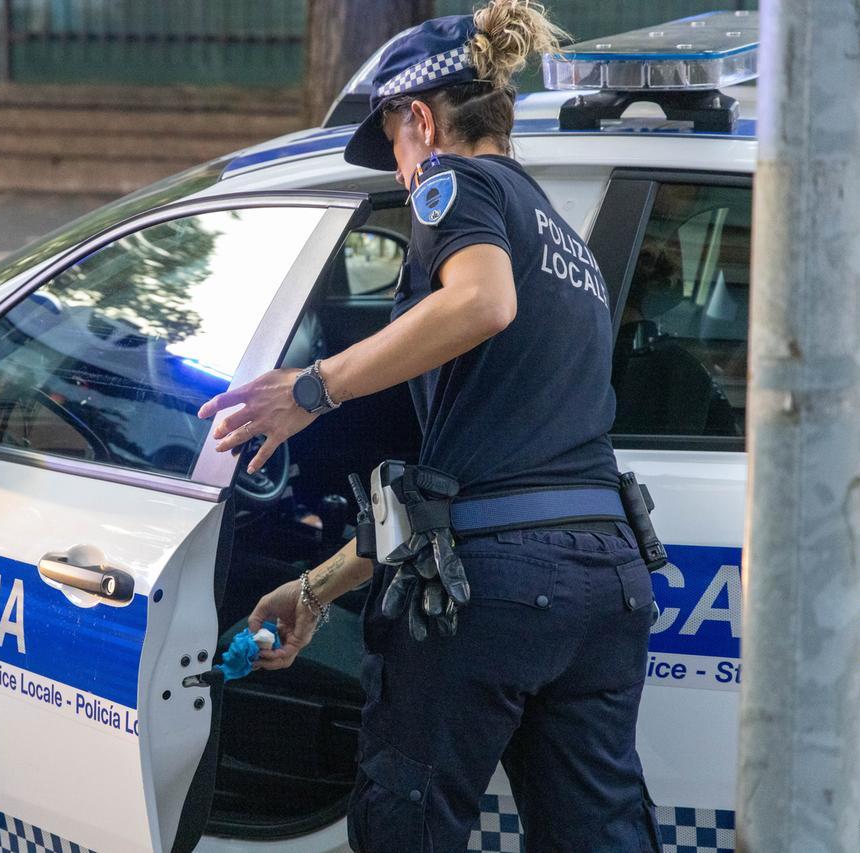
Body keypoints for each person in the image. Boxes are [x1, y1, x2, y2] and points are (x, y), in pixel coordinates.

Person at [196, 2, 662, 850]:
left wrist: (312, 386)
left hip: (499, 591)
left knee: (404, 825)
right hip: (606, 584)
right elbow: (463, 481)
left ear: (421, 119)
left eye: (399, 149)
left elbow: (481, 302)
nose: (406, 178)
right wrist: (311, 591)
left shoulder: (459, 184)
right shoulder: (566, 243)